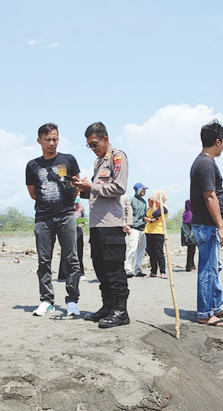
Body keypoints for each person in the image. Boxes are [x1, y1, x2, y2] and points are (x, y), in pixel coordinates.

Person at [72, 122, 130, 328]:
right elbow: (97, 191)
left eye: (95, 143)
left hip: (111, 224)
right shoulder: (99, 163)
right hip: (96, 224)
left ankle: (121, 311)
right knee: (100, 268)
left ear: (105, 138)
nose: (93, 148)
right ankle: (108, 306)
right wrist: (82, 189)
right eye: (89, 145)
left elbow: (119, 187)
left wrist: (92, 186)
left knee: (114, 269)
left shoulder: (118, 157)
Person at [26, 123, 82, 316]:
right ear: (39, 141)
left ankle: (72, 301)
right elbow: (33, 193)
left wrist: (69, 201)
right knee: (44, 261)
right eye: (48, 139)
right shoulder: (32, 165)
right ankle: (46, 300)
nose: (52, 143)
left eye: (55, 139)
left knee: (72, 259)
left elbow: (77, 184)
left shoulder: (68, 160)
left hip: (66, 215)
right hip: (43, 218)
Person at [189, 120, 223, 327]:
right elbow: (210, 196)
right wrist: (221, 226)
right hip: (207, 224)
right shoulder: (205, 163)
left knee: (215, 266)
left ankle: (217, 306)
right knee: (207, 270)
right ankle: (204, 313)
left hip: (208, 224)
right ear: (218, 141)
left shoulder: (205, 162)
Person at [58, 197, 87, 281]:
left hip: (78, 229)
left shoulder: (81, 208)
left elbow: (83, 220)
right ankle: (63, 274)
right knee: (65, 252)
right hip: (66, 230)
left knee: (79, 251)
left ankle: (80, 273)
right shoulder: (64, 206)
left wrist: (81, 222)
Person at [144, 190, 168, 279]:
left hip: (158, 232)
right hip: (149, 231)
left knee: (159, 252)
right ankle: (153, 271)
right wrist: (149, 219)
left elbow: (155, 215)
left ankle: (163, 271)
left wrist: (154, 205)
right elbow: (145, 216)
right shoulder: (149, 208)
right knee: (151, 252)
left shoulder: (163, 208)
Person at [125, 183, 148, 277]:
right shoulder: (131, 201)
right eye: (143, 189)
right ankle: (128, 269)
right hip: (134, 228)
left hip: (143, 228)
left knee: (141, 250)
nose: (144, 191)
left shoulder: (144, 202)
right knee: (132, 249)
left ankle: (138, 269)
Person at [181, 199, 197, 272]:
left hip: (187, 236)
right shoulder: (191, 214)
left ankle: (191, 265)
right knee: (191, 251)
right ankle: (189, 266)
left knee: (190, 251)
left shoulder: (185, 214)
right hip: (191, 236)